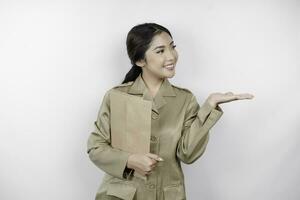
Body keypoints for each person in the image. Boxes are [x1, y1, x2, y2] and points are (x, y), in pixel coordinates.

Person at [87, 22, 254, 200]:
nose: (172, 56)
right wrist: (130, 160)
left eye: (172, 47)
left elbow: (187, 154)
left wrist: (209, 107)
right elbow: (96, 147)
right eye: (160, 51)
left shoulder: (185, 99)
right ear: (140, 60)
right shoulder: (116, 96)